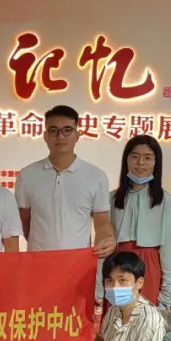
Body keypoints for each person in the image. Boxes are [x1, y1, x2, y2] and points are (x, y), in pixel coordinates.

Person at [15, 105, 115, 258]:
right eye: (53, 130)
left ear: (77, 135)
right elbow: (24, 221)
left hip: (77, 263)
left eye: (67, 130)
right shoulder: (27, 175)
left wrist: (107, 239)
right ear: (45, 136)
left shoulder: (96, 176)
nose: (60, 137)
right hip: (37, 261)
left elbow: (101, 222)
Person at [101, 135, 171, 313]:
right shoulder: (111, 198)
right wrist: (100, 284)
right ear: (126, 160)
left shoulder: (165, 200)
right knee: (117, 319)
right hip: (117, 265)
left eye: (148, 157)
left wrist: (169, 293)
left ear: (156, 162)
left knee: (146, 319)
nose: (141, 163)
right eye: (135, 156)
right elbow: (103, 244)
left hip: (149, 266)